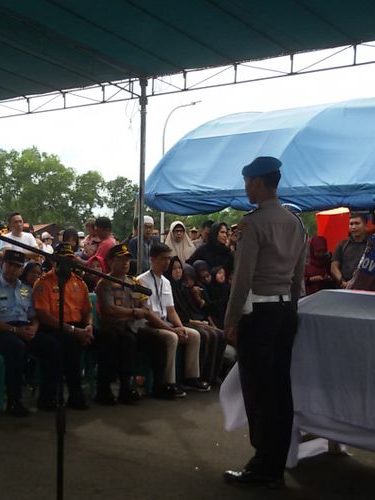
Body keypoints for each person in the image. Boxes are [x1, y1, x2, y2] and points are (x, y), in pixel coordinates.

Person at [223, 156, 306, 488]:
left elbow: (242, 280)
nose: (245, 188)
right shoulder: (296, 222)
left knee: (258, 391)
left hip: (258, 316)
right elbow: (298, 276)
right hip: (285, 313)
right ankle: (275, 461)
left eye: (247, 182)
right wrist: (293, 311)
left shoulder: (253, 224)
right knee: (281, 391)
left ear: (257, 182)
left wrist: (230, 320)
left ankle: (262, 466)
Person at [0, 249, 61, 416]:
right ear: (3, 265)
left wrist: (34, 328)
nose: (12, 270)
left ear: (22, 269)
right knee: (16, 348)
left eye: (17, 266)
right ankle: (14, 401)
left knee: (53, 346)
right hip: (0, 331)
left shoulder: (26, 290)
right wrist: (15, 330)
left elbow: (33, 315)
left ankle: (47, 398)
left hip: (24, 328)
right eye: (9, 265)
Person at [137, 242, 209, 398]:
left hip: (165, 322)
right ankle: (167, 383)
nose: (167, 263)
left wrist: (180, 326)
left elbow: (171, 310)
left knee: (193, 335)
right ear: (152, 259)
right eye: (163, 259)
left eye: (168, 259)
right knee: (171, 337)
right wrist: (172, 329)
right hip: (148, 325)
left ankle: (191, 377)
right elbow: (148, 314)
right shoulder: (141, 281)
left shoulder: (166, 282)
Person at [33, 242, 94, 410]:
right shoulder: (43, 283)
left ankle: (105, 389)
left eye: (70, 259)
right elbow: (44, 316)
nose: (67, 263)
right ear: (54, 261)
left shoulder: (80, 283)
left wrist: (89, 326)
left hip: (78, 327)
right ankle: (60, 396)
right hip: (53, 328)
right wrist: (74, 331)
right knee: (68, 345)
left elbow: (88, 310)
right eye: (63, 259)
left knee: (108, 339)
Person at [93, 244, 145, 405]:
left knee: (137, 339)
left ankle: (126, 387)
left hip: (129, 327)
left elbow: (143, 306)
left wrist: (138, 312)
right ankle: (104, 388)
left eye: (127, 260)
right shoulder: (105, 283)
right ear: (110, 262)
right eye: (120, 260)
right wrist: (133, 312)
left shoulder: (133, 282)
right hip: (109, 327)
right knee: (112, 340)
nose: (125, 263)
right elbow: (109, 310)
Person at [166, 258, 226, 386]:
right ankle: (199, 376)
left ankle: (212, 375)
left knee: (219, 335)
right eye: (174, 269)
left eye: (179, 268)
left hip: (192, 320)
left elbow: (199, 308)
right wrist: (194, 321)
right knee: (205, 335)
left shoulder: (184, 288)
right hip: (181, 322)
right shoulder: (168, 286)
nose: (178, 272)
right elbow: (174, 312)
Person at [330, 212, 369, 288]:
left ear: (365, 225)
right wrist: (342, 281)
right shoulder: (342, 244)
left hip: (363, 286)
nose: (353, 227)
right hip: (343, 286)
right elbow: (334, 267)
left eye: (357, 223)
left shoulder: (371, 244)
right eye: (351, 224)